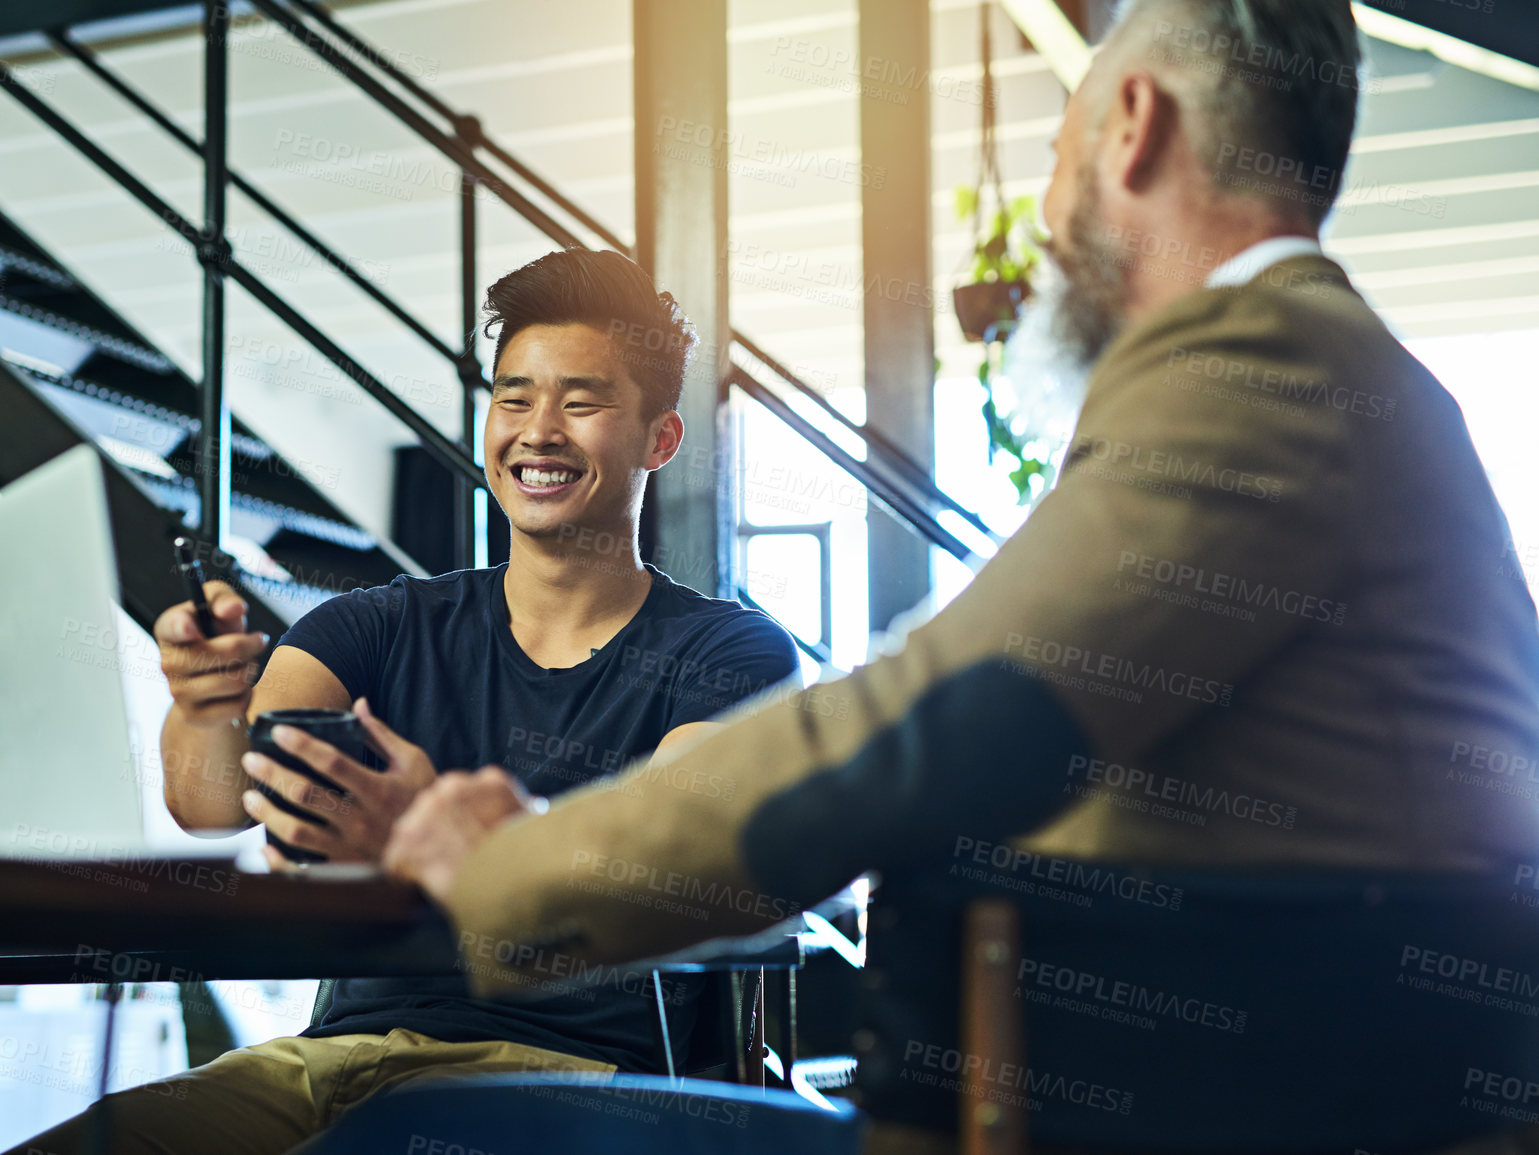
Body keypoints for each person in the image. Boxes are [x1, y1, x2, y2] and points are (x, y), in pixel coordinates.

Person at [383, 0, 1539, 1147]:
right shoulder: (1344, 375)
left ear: (1130, 123)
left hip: (1205, 1113)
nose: (1046, 209)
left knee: (406, 1133)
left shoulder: (1261, 367)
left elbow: (945, 718)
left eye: (1057, 148)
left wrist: (509, 875)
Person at [7, 248, 799, 1155]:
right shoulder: (374, 625)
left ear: (659, 438)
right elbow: (212, 801)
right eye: (512, 397)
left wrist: (448, 837)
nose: (537, 431)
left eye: (580, 402)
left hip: (561, 1072)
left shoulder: (730, 652)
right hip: (330, 1058)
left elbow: (675, 856)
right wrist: (203, 707)